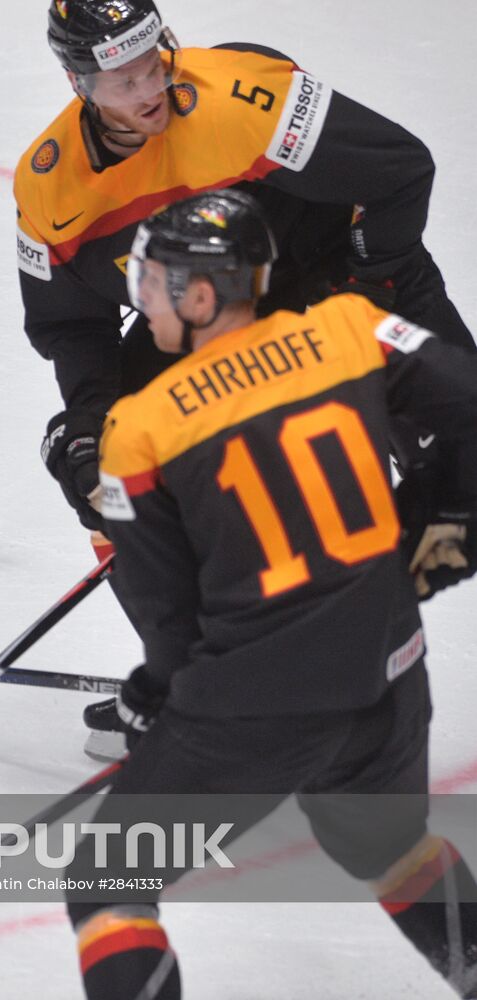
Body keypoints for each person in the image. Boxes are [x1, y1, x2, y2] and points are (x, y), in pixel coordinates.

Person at [61, 189, 477, 999]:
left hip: (251, 708)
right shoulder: (351, 329)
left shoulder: (139, 430)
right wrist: (445, 518)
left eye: (151, 280)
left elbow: (168, 621)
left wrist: (154, 696)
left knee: (106, 887)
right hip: (388, 672)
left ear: (203, 295)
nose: (139, 296)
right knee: (393, 851)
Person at [18, 0, 474, 539]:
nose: (150, 89)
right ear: (80, 84)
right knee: (116, 474)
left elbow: (398, 171)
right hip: (210, 318)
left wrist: (367, 288)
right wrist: (91, 420)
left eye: (155, 62)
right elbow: (72, 325)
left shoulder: (239, 98)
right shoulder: (47, 188)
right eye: (124, 80)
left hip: (336, 267)